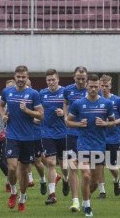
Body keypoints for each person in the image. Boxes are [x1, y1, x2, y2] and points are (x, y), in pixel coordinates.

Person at [66, 74, 115, 217]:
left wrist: (105, 123)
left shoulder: (107, 104)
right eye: (91, 86)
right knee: (86, 176)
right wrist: (78, 124)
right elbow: (68, 121)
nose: (93, 89)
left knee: (94, 182)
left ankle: (85, 197)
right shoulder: (78, 104)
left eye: (96, 86)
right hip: (83, 144)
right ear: (87, 86)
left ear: (99, 86)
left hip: (99, 145)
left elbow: (113, 122)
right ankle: (87, 206)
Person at [0, 65, 43, 212]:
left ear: (27, 77)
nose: (21, 80)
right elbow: (1, 105)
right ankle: (13, 191)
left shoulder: (33, 94)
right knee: (12, 167)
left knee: (24, 170)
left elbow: (41, 115)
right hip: (12, 135)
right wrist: (3, 115)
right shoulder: (7, 91)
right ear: (15, 77)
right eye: (18, 77)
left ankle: (22, 198)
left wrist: (27, 110)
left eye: (23, 77)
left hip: (28, 137)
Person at [39, 69, 69, 205]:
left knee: (63, 163)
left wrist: (64, 113)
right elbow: (38, 110)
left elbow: (73, 109)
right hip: (47, 133)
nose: (51, 82)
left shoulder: (65, 92)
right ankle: (52, 194)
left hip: (63, 133)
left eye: (53, 79)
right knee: (50, 162)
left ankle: (66, 179)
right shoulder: (42, 94)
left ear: (58, 79)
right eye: (48, 80)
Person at [97, 74, 120, 199]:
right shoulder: (94, 100)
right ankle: (102, 191)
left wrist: (112, 123)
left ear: (110, 86)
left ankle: (116, 179)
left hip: (113, 138)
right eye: (102, 85)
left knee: (111, 166)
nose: (104, 88)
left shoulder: (117, 100)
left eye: (106, 86)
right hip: (97, 138)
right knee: (99, 165)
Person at [63, 66, 88, 212]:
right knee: (73, 167)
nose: (80, 81)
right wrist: (66, 116)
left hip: (88, 136)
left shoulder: (92, 90)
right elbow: (65, 103)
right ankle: (75, 201)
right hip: (72, 133)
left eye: (83, 78)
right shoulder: (68, 90)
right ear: (74, 77)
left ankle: (86, 199)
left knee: (87, 172)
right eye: (78, 78)